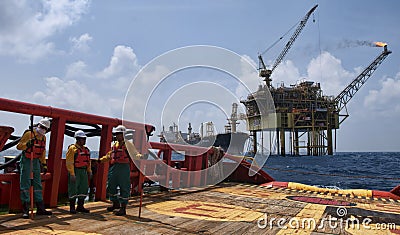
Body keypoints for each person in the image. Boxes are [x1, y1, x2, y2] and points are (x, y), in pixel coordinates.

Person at [98, 125, 142, 216]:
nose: (117, 136)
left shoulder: (128, 144)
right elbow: (109, 156)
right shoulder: (115, 145)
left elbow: (134, 154)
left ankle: (123, 208)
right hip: (114, 167)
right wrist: (100, 160)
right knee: (110, 186)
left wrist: (141, 156)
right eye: (116, 134)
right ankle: (115, 203)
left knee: (124, 187)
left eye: (119, 134)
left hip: (123, 168)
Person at [16, 118, 52, 219]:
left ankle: (40, 208)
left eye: (45, 128)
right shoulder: (29, 134)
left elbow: (43, 152)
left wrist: (44, 164)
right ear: (38, 126)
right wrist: (27, 144)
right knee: (25, 184)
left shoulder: (43, 138)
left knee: (37, 184)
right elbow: (19, 146)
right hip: (27, 160)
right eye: (41, 127)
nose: (42, 129)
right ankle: (26, 209)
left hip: (36, 161)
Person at [66, 130, 92, 214]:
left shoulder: (86, 150)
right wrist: (72, 174)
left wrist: (89, 171)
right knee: (73, 188)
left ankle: (80, 206)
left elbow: (88, 162)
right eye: (82, 139)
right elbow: (69, 162)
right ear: (77, 139)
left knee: (83, 188)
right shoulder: (72, 149)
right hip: (75, 171)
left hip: (83, 171)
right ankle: (72, 207)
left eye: (85, 139)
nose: (84, 141)